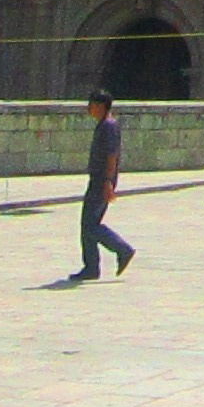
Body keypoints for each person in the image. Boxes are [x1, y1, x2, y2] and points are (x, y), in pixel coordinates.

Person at [67, 89, 134, 282]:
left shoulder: (109, 126)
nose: (89, 109)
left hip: (101, 180)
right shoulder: (103, 125)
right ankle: (91, 267)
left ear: (101, 106)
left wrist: (107, 182)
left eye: (92, 105)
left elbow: (112, 155)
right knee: (87, 224)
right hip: (98, 179)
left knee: (90, 224)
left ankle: (122, 249)